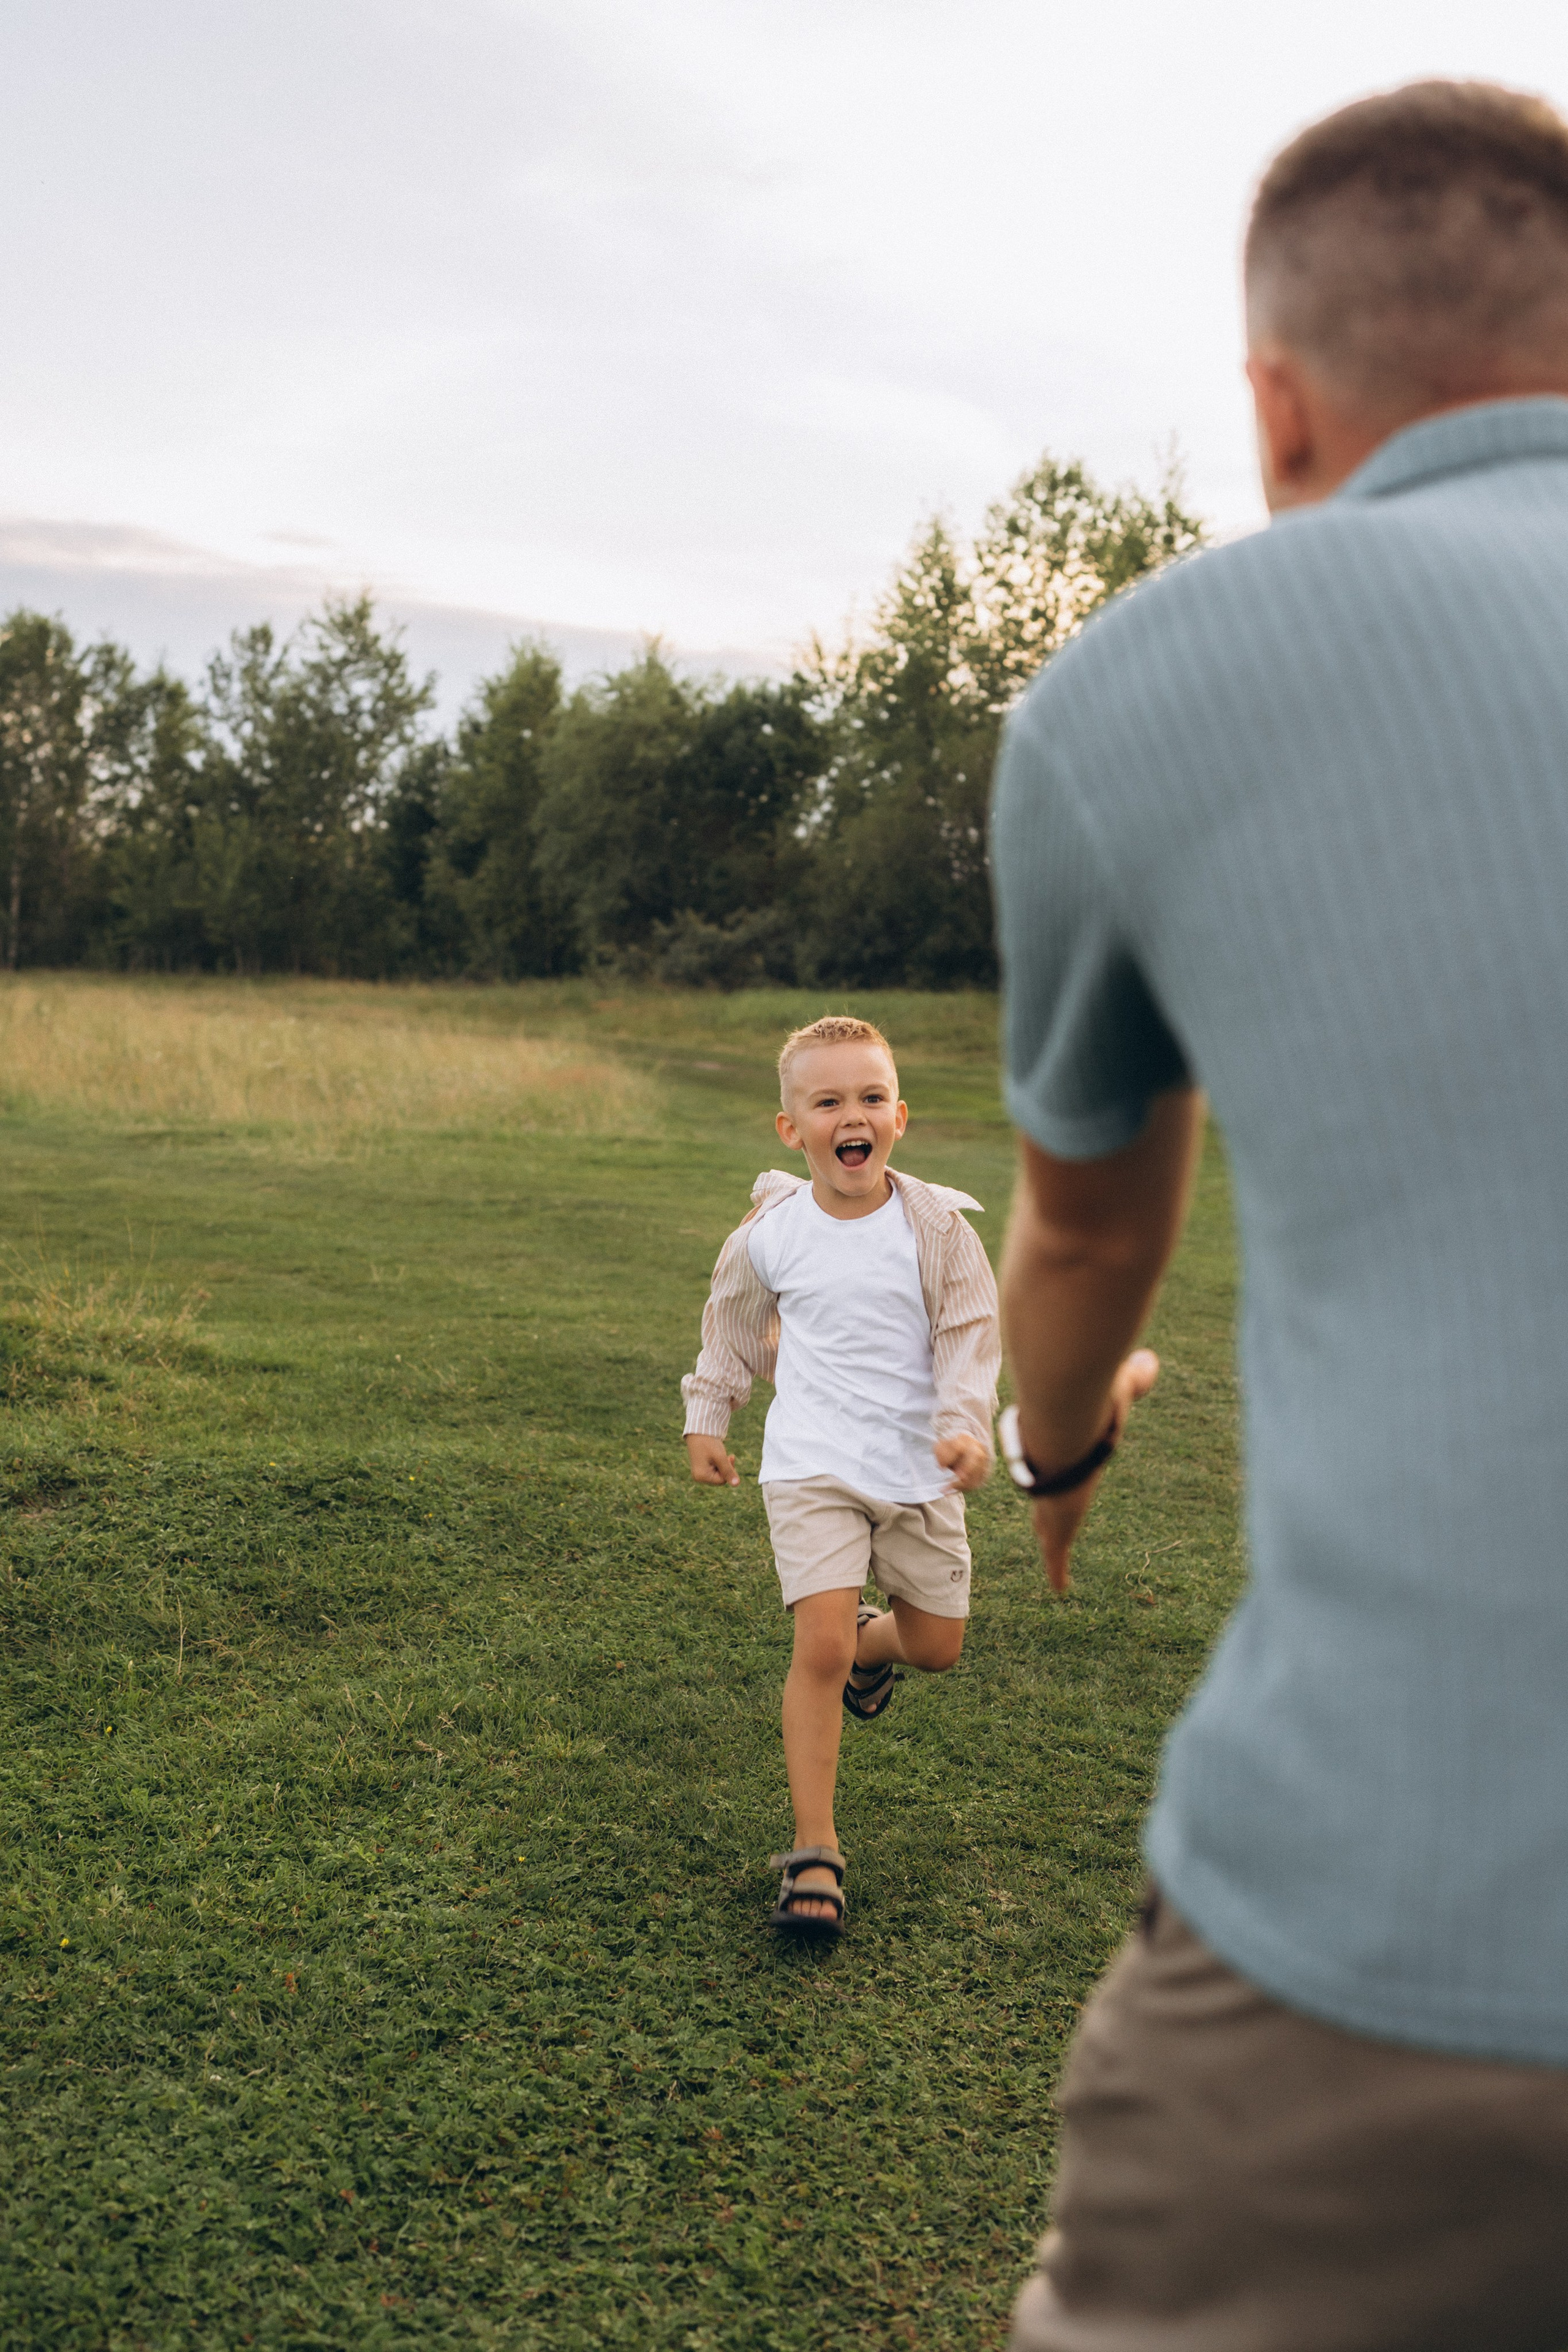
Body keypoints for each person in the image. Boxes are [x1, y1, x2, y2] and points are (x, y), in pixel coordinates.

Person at [991, 80, 1568, 2351]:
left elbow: (1089, 1248)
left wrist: (1060, 1447)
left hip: (1388, 1942)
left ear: (1275, 402)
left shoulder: (1133, 689)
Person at [682, 1014, 1000, 1934]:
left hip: (917, 1469)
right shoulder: (772, 1234)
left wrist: (962, 1427)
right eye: (827, 1101)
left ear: (898, 1116)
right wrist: (710, 1416)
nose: (849, 1115)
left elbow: (970, 1337)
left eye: (868, 1098)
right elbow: (731, 1323)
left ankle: (876, 1644)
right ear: (793, 1128)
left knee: (936, 1643)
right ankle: (813, 1853)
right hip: (811, 1462)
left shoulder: (936, 1227)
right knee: (813, 1649)